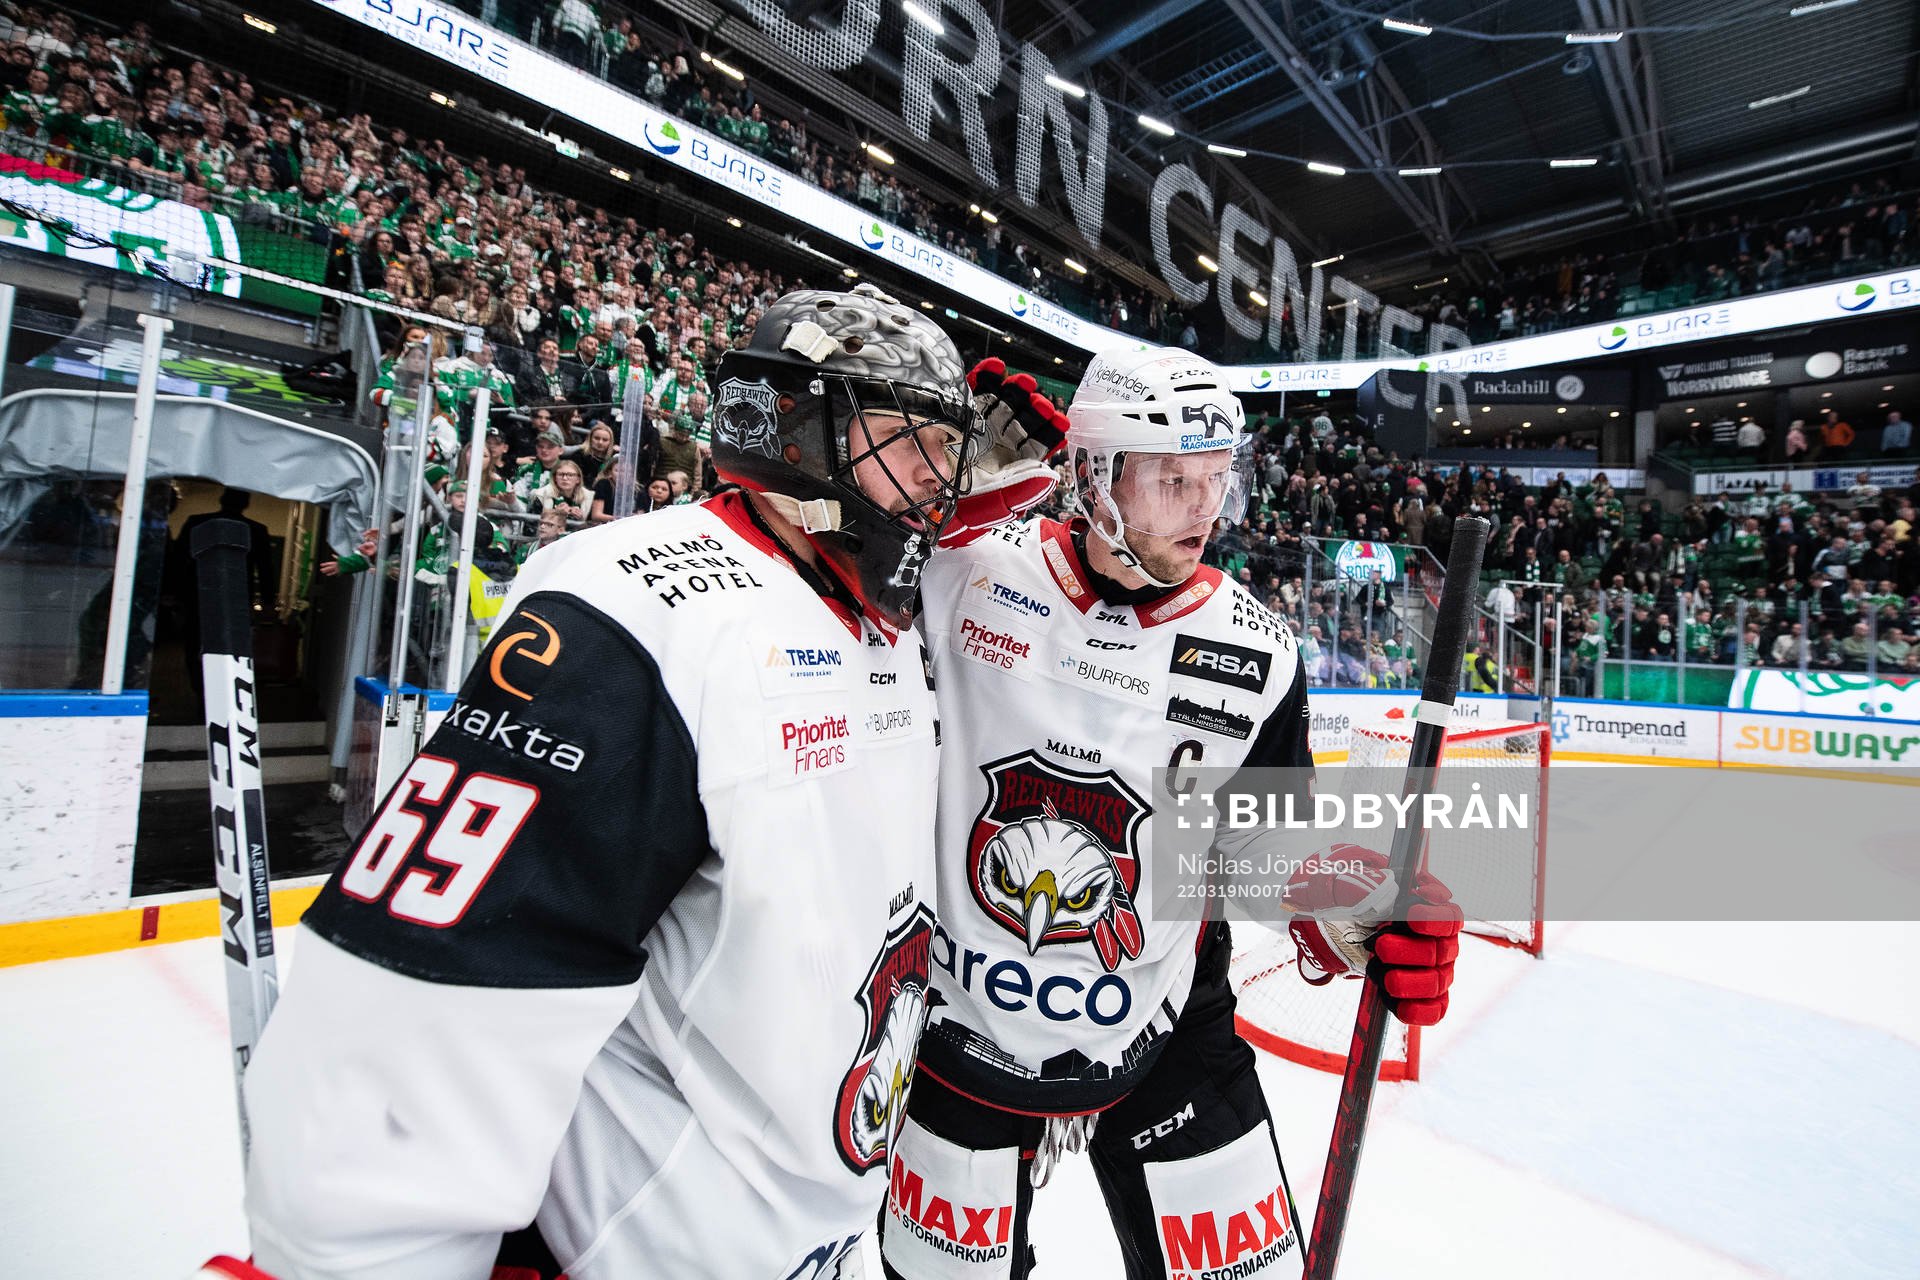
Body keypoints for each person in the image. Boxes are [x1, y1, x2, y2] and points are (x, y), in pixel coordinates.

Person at [238, 284, 984, 1277]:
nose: (938, 485)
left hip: (840, 1208)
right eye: (906, 442)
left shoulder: (894, 623)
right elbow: (438, 990)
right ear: (790, 433)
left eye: (949, 452)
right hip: (653, 1241)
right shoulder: (640, 602)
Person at [880, 348, 1463, 1280]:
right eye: (1172, 480)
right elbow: (829, 636)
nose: (1204, 509)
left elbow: (1259, 846)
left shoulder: (1257, 649)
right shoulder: (968, 576)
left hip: (1165, 1026)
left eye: (1217, 481)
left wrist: (1356, 908)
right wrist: (926, 509)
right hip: (958, 1028)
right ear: (1093, 476)